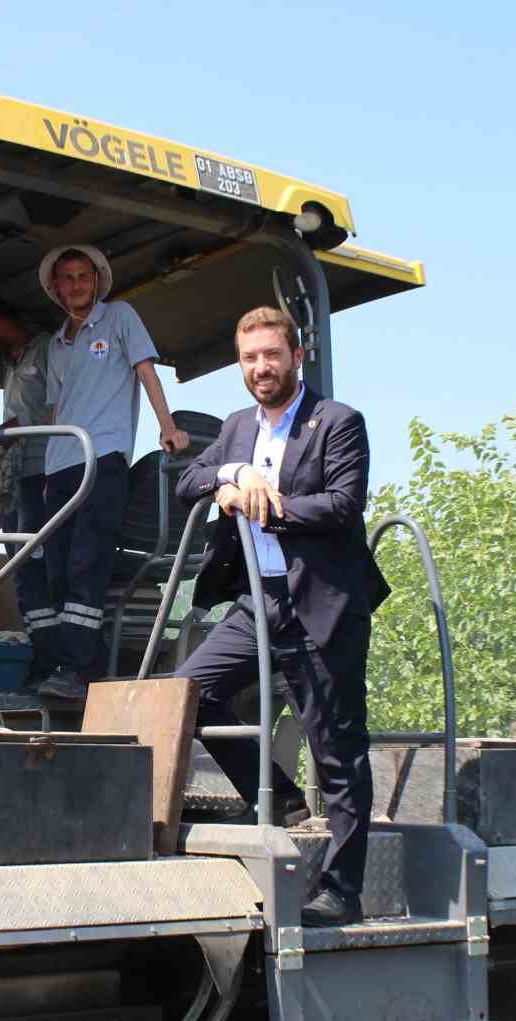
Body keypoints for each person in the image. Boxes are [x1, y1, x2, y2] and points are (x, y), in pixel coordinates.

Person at [174, 306, 389, 928]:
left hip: (321, 605)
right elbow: (188, 477)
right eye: (249, 358)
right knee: (185, 694)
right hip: (256, 602)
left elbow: (344, 507)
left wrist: (270, 506)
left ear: (296, 356)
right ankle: (285, 799)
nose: (261, 368)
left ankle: (342, 891)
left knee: (339, 749)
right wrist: (230, 477)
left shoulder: (338, 423)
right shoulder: (239, 427)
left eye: (271, 355)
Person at [35, 244, 190, 700]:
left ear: (96, 282)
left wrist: (168, 426)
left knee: (88, 559)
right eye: (68, 278)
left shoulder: (121, 316)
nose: (77, 284)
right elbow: (57, 406)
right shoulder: (56, 342)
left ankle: (76, 669)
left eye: (84, 276)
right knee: (57, 569)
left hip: (102, 458)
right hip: (59, 462)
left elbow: (146, 372)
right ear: (57, 288)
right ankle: (82, 660)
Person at [0, 297, 55, 684]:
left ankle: (50, 651)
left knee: (37, 564)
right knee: (20, 570)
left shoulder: (48, 350)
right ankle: (39, 646)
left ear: (0, 323)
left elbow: (57, 408)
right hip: (15, 481)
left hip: (44, 473)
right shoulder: (12, 364)